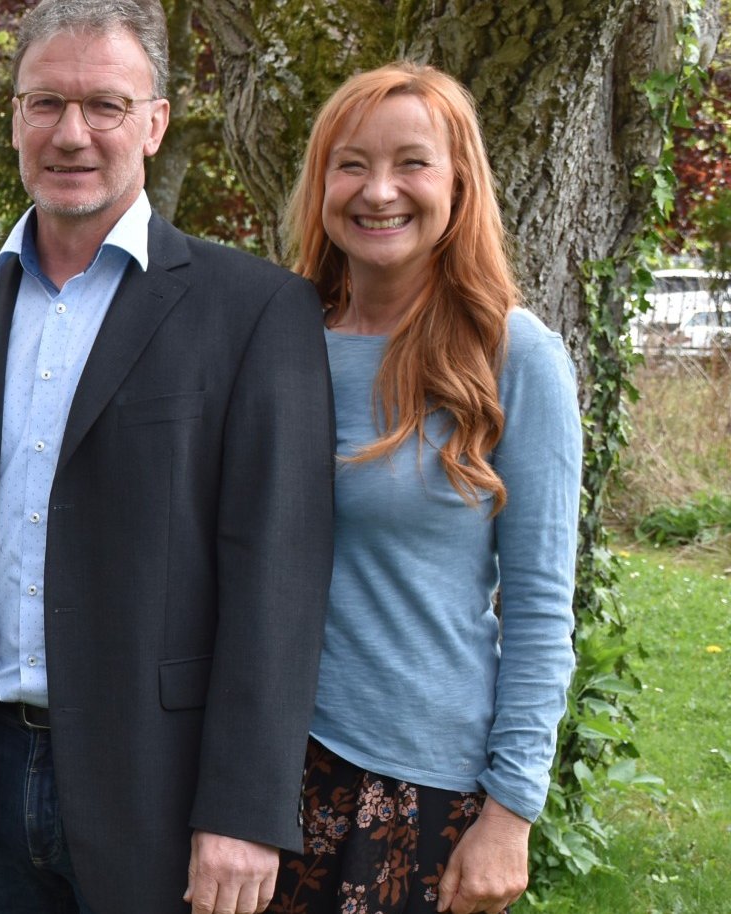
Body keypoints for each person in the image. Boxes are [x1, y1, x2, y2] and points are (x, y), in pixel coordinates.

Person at [0, 0, 337, 911]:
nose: (72, 134)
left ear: (154, 123)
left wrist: (244, 807)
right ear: (14, 120)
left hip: (162, 790)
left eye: (105, 106)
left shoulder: (254, 312)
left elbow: (279, 580)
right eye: (45, 104)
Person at [269, 62, 580, 914]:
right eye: (351, 164)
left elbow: (542, 605)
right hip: (265, 770)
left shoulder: (515, 357)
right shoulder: (277, 338)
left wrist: (512, 811)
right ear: (321, 183)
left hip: (420, 784)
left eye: (411, 162)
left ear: (458, 182)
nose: (379, 191)